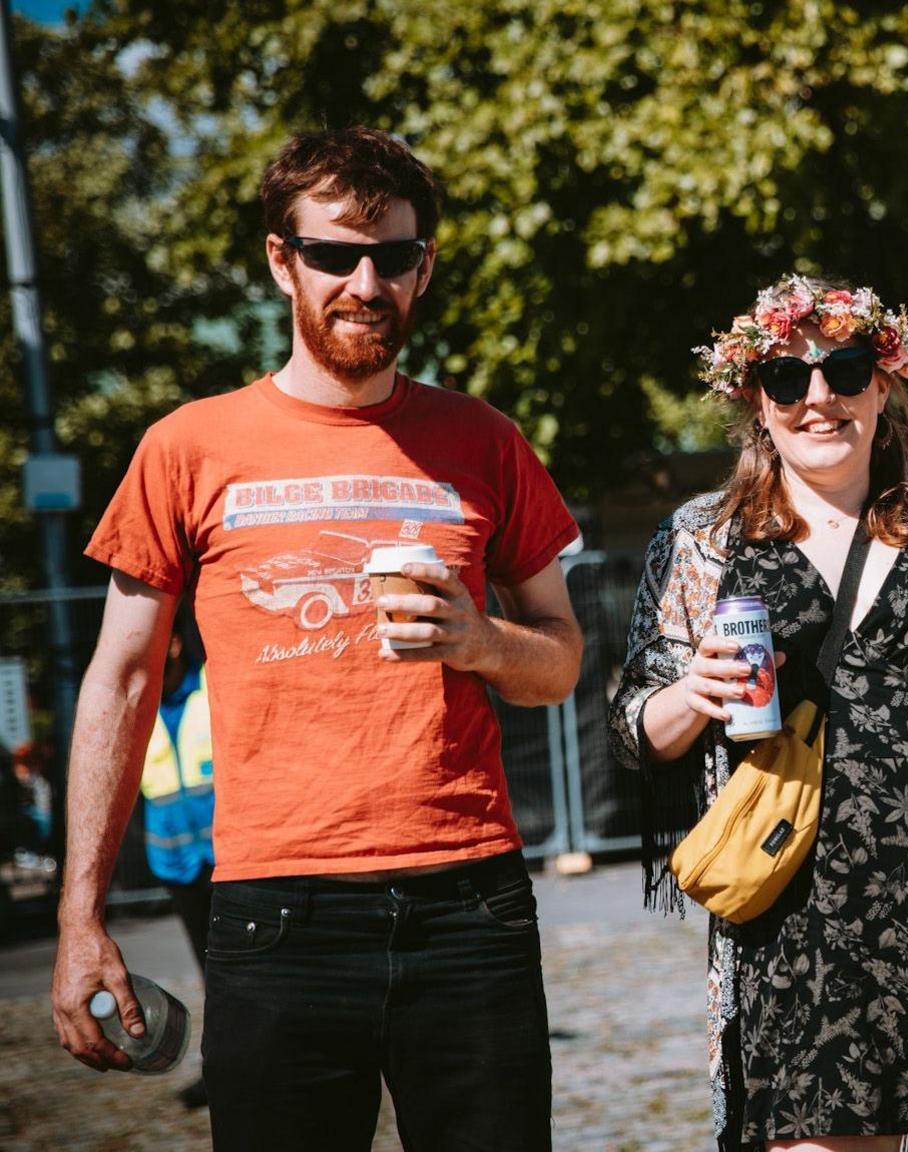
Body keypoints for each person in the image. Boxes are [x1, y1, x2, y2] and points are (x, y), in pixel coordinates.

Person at [51, 126, 583, 1152]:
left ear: (424, 265)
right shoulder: (185, 448)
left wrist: (479, 641)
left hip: (468, 908)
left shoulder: (484, 440)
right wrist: (80, 920)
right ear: (280, 260)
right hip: (271, 912)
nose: (366, 281)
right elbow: (118, 683)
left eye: (394, 255)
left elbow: (558, 660)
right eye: (335, 254)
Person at [607, 273, 908, 1152]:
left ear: (883, 383)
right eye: (789, 381)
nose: (819, 398)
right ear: (757, 401)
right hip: (798, 930)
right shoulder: (704, 538)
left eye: (843, 369)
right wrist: (695, 694)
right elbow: (634, 729)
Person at [142, 606, 215, 1110]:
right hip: (179, 864)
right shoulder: (137, 700)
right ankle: (221, 1073)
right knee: (211, 975)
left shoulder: (213, 685)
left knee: (238, 975)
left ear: (172, 644)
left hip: (231, 857)